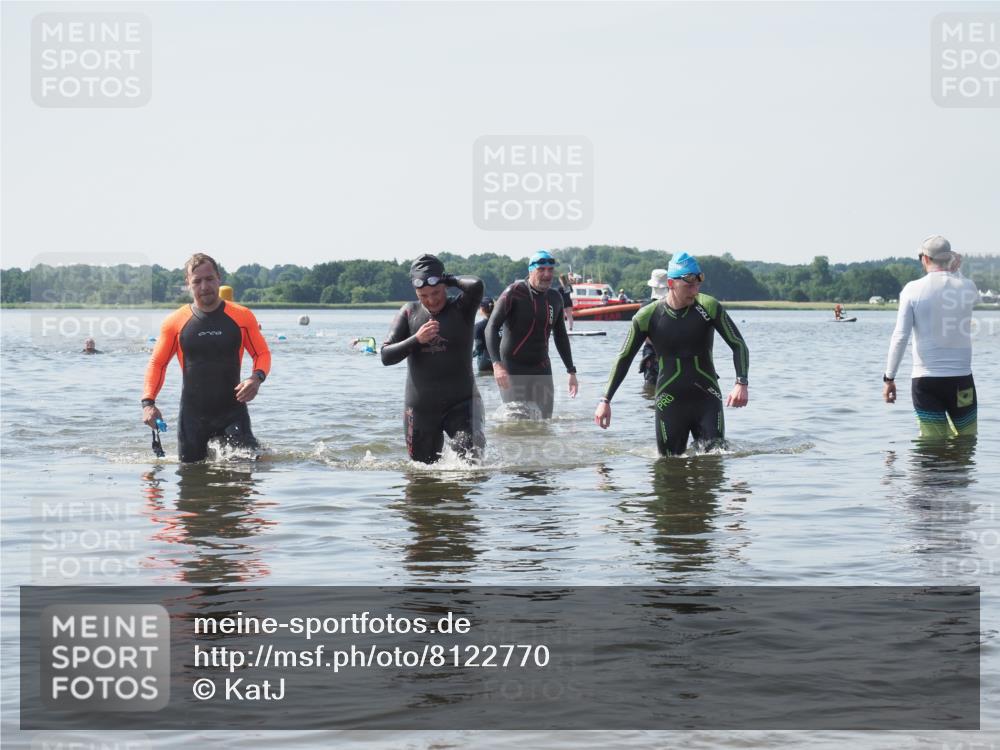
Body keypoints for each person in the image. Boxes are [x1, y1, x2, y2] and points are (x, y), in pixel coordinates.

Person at [594, 252, 749, 455]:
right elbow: (624, 357)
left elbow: (738, 344)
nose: (695, 291)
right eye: (688, 285)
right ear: (670, 283)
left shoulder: (708, 307)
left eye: (698, 284)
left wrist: (741, 383)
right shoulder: (647, 316)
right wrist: (605, 400)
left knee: (714, 463)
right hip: (669, 401)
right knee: (668, 469)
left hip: (707, 398)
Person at [141, 253, 271, 462]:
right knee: (192, 482)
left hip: (233, 413)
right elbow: (158, 363)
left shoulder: (242, 316)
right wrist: (148, 403)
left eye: (209, 279)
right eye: (197, 281)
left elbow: (262, 353)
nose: (204, 286)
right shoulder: (174, 322)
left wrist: (256, 378)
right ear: (188, 284)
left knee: (244, 479)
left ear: (219, 279)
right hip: (192, 419)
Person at [381, 254, 485, 464]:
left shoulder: (462, 308)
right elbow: (386, 355)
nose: (431, 299)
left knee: (471, 467)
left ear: (445, 286)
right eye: (423, 295)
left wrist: (450, 278)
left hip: (463, 404)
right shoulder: (409, 312)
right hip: (420, 409)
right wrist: (416, 340)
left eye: (436, 292)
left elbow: (476, 285)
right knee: (421, 474)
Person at [883, 235, 978, 438]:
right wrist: (957, 271)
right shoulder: (968, 287)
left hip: (926, 383)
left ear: (925, 258)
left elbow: (900, 336)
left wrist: (889, 378)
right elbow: (965, 288)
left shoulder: (912, 290)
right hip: (961, 381)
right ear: (951, 258)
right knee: (967, 439)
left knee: (932, 443)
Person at [486, 250, 578, 419]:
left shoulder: (555, 298)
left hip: (541, 367)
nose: (547, 274)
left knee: (545, 422)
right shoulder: (514, 292)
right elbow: (491, 327)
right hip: (512, 367)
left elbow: (561, 336)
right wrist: (496, 365)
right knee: (517, 422)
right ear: (530, 271)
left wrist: (571, 371)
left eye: (550, 270)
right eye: (541, 269)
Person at [638, 269, 670, 386]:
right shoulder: (675, 305)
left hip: (652, 351)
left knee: (651, 386)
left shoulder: (645, 306)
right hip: (667, 352)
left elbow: (641, 333)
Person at [472, 297, 495, 372]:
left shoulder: (478, 326)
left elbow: (479, 347)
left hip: (485, 362)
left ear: (481, 309)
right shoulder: (503, 323)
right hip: (502, 361)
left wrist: (470, 356)